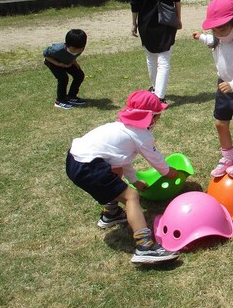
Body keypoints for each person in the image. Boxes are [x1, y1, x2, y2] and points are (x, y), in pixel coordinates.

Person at [65, 90, 180, 264]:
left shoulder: (121, 127)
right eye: (158, 115)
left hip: (74, 159)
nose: (159, 119)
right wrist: (169, 172)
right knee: (131, 196)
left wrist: (133, 180)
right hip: (88, 166)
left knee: (116, 170)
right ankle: (145, 247)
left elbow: (121, 159)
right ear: (150, 117)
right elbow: (156, 160)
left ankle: (110, 213)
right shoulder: (141, 135)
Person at [192, 0, 233, 178]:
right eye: (215, 30)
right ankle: (228, 157)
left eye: (222, 29)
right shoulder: (218, 36)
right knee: (220, 124)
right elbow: (211, 40)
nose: (219, 34)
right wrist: (201, 37)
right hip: (223, 86)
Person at [130, 0, 182, 107]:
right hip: (166, 19)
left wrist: (134, 23)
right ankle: (159, 95)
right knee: (164, 58)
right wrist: (179, 18)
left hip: (146, 20)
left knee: (151, 56)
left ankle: (156, 91)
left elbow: (135, 2)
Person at [43, 29, 87, 110]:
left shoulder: (81, 47)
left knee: (79, 75)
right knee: (63, 78)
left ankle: (71, 96)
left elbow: (72, 55)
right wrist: (58, 64)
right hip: (53, 62)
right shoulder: (57, 49)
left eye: (80, 49)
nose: (77, 51)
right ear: (67, 45)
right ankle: (60, 101)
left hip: (67, 62)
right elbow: (45, 55)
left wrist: (75, 63)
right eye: (74, 49)